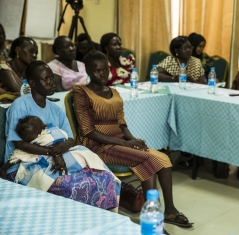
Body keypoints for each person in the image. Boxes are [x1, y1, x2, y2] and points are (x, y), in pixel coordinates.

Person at [72, 50, 193, 227]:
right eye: (97, 71)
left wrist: (134, 140)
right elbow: (88, 131)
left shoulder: (114, 92)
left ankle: (166, 210)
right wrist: (125, 143)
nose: (103, 74)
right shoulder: (81, 93)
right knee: (149, 158)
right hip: (96, 145)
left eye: (105, 69)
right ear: (88, 72)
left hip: (119, 141)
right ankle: (155, 214)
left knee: (163, 158)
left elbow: (121, 124)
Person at [2, 61, 119, 210]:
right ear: (32, 83)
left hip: (57, 157)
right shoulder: (20, 105)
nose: (51, 82)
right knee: (69, 186)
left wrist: (62, 148)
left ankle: (99, 218)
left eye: (52, 78)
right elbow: (19, 144)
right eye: (46, 79)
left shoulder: (55, 109)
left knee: (104, 177)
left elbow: (70, 139)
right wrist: (53, 153)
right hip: (23, 165)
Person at [1, 115, 120, 194]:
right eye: (27, 138)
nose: (33, 139)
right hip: (45, 158)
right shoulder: (31, 141)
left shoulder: (50, 132)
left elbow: (64, 139)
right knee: (40, 167)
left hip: (66, 152)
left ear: (41, 130)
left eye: (34, 136)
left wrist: (56, 154)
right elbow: (19, 155)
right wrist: (3, 169)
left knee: (83, 154)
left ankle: (80, 168)